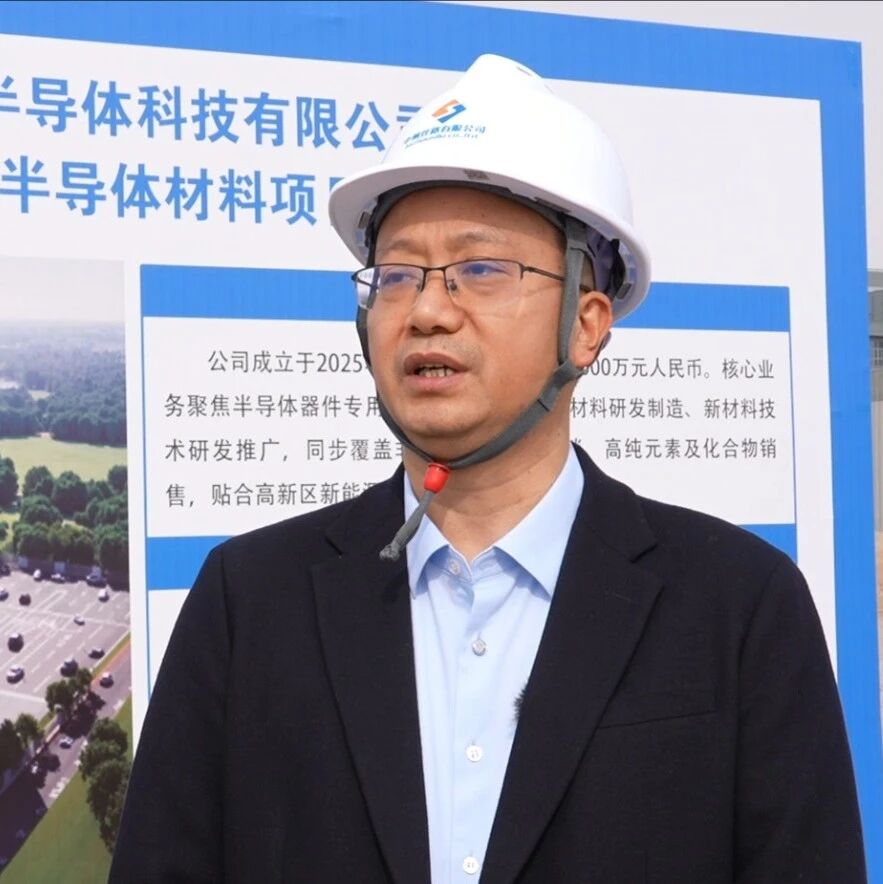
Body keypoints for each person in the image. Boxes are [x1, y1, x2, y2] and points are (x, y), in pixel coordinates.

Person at [110, 55, 865, 883]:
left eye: (480, 269)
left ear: (586, 325)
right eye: (397, 275)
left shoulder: (739, 605)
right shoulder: (249, 599)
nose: (428, 310)